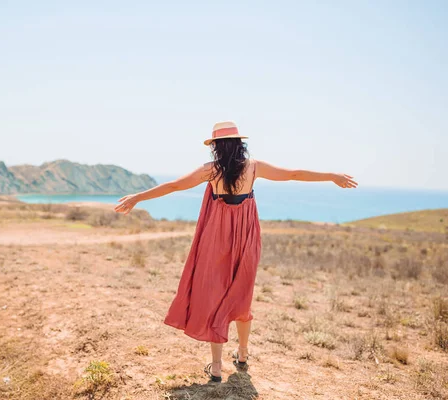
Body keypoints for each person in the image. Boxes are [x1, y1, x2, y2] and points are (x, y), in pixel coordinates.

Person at [114, 121, 357, 382]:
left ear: (216, 147)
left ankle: (216, 367)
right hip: (246, 236)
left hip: (216, 237)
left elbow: (173, 186)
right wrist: (332, 176)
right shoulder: (254, 167)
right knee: (242, 295)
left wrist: (137, 197)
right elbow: (294, 174)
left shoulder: (211, 171)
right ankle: (242, 354)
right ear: (240, 144)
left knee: (213, 296)